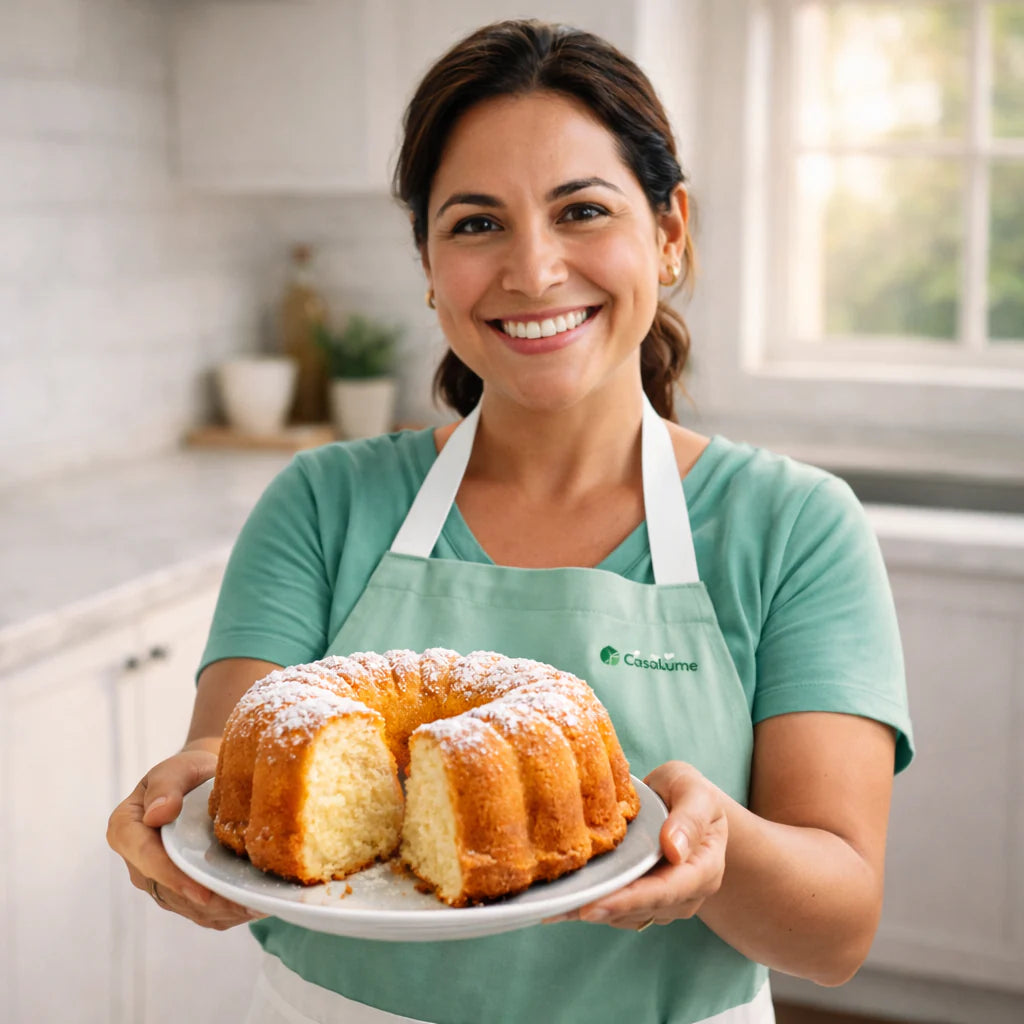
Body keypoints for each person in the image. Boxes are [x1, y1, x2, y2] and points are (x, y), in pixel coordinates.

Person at [107, 19, 913, 1024]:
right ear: (429, 262)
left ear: (668, 234)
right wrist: (183, 828)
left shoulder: (790, 527)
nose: (532, 270)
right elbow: (241, 798)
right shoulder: (321, 504)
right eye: (477, 223)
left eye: (581, 210)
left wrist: (719, 846)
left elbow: (836, 936)